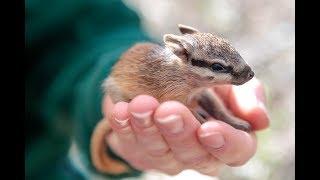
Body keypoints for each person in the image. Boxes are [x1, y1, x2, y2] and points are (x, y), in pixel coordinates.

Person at [26, 0, 269, 179]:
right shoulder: (176, 82)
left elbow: (75, 32)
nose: (242, 76)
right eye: (218, 68)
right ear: (182, 56)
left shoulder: (196, 82)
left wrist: (228, 118)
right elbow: (180, 103)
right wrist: (200, 119)